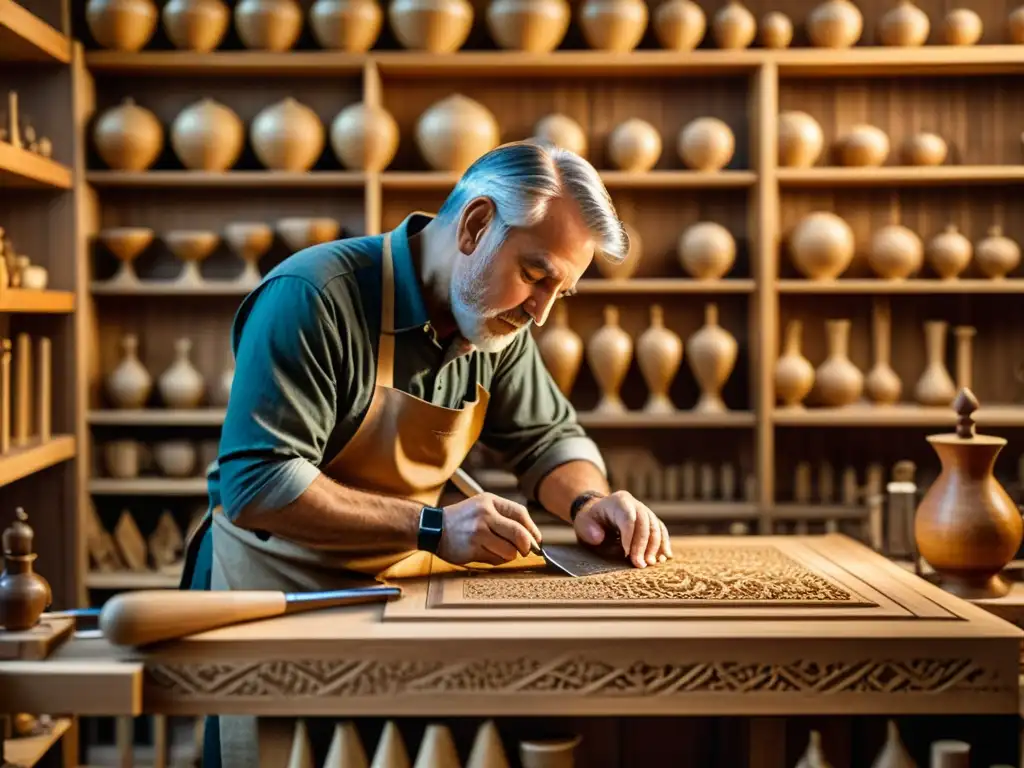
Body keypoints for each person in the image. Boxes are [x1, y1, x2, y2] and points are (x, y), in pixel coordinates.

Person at [178, 140, 673, 768]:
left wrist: (589, 501)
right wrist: (434, 526)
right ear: (474, 225)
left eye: (561, 292)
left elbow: (547, 439)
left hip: (396, 593)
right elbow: (258, 483)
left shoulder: (495, 323)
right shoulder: (314, 295)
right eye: (536, 275)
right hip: (273, 592)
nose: (541, 312)